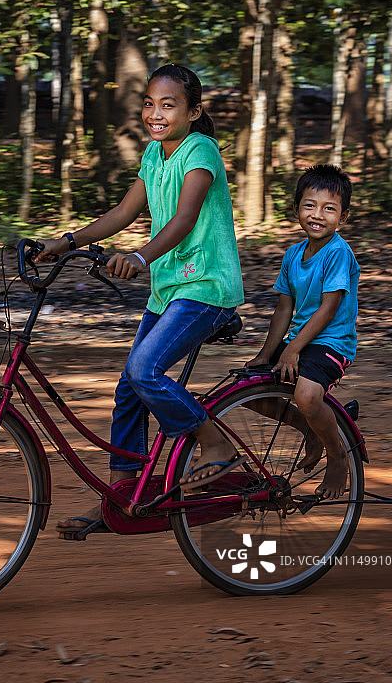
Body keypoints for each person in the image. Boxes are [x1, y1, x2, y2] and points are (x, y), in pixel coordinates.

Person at [35, 63, 244, 539]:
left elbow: (185, 218)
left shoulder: (200, 150)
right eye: (149, 104)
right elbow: (124, 212)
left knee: (143, 369)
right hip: (170, 290)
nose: (155, 113)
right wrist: (65, 243)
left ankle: (214, 443)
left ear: (193, 112)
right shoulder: (154, 154)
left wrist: (141, 256)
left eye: (168, 105)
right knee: (129, 389)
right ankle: (121, 500)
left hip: (206, 288)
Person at [245, 164, 359, 500]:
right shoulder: (293, 254)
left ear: (343, 217)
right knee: (250, 389)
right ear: (296, 209)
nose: (317, 215)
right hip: (299, 340)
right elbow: (284, 309)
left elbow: (328, 308)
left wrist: (292, 349)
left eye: (329, 209)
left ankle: (337, 455)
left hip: (331, 343)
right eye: (310, 205)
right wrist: (267, 354)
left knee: (307, 396)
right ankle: (307, 426)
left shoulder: (338, 252)